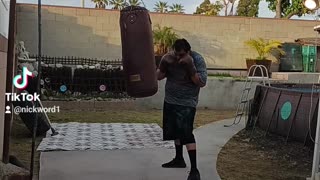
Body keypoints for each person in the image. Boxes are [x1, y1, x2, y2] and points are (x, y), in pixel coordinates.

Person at [157, 39, 207, 180]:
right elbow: (159, 77)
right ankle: (179, 159)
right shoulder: (170, 58)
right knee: (175, 132)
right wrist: (162, 65)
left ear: (188, 51)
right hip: (170, 100)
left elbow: (201, 82)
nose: (179, 57)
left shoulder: (197, 59)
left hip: (187, 103)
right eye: (176, 54)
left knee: (186, 133)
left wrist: (191, 67)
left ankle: (194, 170)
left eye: (182, 54)